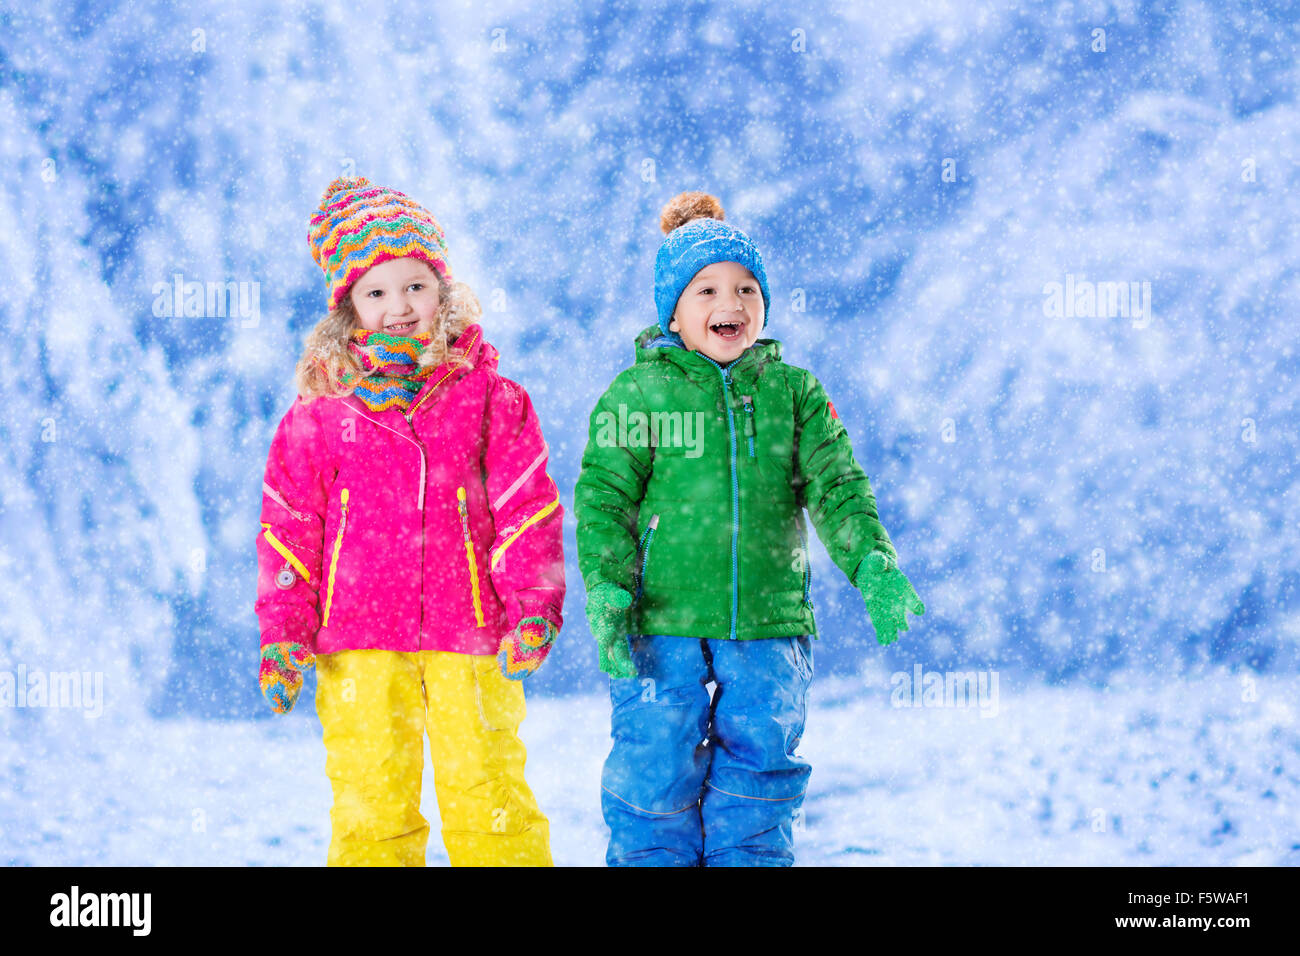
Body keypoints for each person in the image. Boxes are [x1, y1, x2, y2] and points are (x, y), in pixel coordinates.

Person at [574, 191, 925, 866]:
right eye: (705, 289)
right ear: (673, 313)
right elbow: (605, 500)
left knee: (761, 771)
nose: (728, 304)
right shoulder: (636, 395)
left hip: (768, 622)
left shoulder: (794, 394)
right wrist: (609, 588)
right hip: (659, 622)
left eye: (745, 288)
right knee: (654, 765)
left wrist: (871, 562)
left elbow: (838, 487)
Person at [253, 175, 564, 866]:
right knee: (371, 807)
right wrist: (283, 634)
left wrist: (534, 608)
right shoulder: (319, 416)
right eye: (377, 292)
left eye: (415, 285)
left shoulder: (490, 398)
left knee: (491, 800)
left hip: (472, 634)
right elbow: (288, 531)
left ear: (443, 289)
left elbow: (528, 510)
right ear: (348, 308)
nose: (399, 307)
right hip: (357, 639)